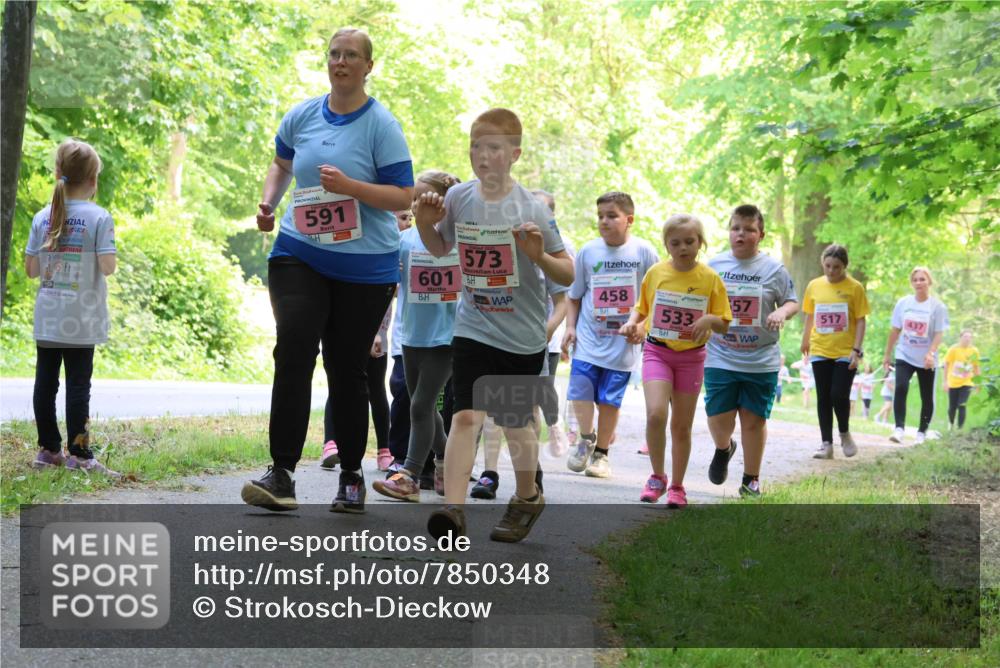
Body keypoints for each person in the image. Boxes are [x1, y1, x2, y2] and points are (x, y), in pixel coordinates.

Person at [242, 28, 414, 513]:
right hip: (299, 251)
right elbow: (281, 163)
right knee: (293, 349)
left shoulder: (381, 125)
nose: (341, 61)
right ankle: (281, 473)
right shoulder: (301, 115)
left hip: (365, 267)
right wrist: (269, 202)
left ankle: (352, 476)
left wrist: (351, 187)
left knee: (346, 367)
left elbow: (403, 196)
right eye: (335, 53)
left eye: (351, 55)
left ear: (368, 66)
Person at [414, 108, 573, 543]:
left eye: (494, 148)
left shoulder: (531, 208)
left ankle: (527, 496)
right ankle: (454, 510)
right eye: (476, 147)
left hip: (520, 336)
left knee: (514, 423)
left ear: (515, 154)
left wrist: (538, 255)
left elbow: (567, 272)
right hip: (473, 326)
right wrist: (426, 224)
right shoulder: (459, 198)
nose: (482, 156)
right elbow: (441, 247)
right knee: (465, 416)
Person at [620, 214, 732, 508]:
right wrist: (632, 323)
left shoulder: (710, 278)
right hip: (658, 351)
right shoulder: (656, 272)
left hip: (691, 358)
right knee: (656, 414)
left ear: (700, 242)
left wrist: (708, 319)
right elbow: (642, 308)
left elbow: (724, 324)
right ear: (666, 245)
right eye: (675, 243)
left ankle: (678, 487)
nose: (683, 247)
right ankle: (657, 477)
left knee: (681, 426)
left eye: (689, 241)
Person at [25, 139, 119, 476]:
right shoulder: (99, 217)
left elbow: (31, 270)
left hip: (49, 318)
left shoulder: (42, 217)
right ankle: (79, 454)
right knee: (78, 386)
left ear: (58, 174)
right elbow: (108, 267)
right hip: (81, 319)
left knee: (45, 384)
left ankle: (48, 450)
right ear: (93, 180)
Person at [373, 171, 461, 502]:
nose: (416, 204)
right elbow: (390, 286)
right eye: (413, 198)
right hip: (411, 336)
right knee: (423, 408)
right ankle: (446, 461)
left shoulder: (457, 239)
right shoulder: (405, 239)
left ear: (445, 203)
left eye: (425, 197)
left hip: (446, 338)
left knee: (421, 405)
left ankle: (409, 475)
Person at [561, 191, 659, 479]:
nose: (604, 221)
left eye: (612, 216)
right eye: (600, 216)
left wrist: (643, 326)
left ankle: (601, 454)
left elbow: (657, 298)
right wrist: (569, 327)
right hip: (589, 339)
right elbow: (574, 296)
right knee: (580, 392)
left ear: (629, 219)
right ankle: (586, 439)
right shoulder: (588, 252)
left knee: (609, 401)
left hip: (623, 344)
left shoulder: (644, 252)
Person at [703, 204, 799, 497]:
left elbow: (792, 301)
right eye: (735, 229)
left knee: (753, 420)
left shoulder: (774, 270)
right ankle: (724, 447)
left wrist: (781, 312)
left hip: (760, 358)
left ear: (761, 235)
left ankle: (751, 480)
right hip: (721, 354)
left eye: (748, 230)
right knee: (718, 417)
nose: (740, 235)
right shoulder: (714, 266)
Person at [320, 210, 408, 473]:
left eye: (409, 218)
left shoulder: (402, 250)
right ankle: (331, 444)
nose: (406, 223)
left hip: (378, 333)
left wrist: (378, 333)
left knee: (376, 389)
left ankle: (384, 450)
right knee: (339, 383)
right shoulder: (369, 246)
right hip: (352, 329)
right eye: (402, 217)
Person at [801, 244, 869, 459]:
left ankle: (844, 433)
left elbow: (861, 320)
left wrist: (856, 349)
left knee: (838, 393)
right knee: (823, 396)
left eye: (836, 267)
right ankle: (826, 444)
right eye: (828, 266)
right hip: (820, 347)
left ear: (844, 266)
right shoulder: (814, 285)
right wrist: (805, 340)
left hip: (845, 350)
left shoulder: (855, 288)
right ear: (823, 263)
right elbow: (810, 315)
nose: (831, 271)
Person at [882, 266, 949, 444]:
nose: (918, 283)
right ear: (911, 283)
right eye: (915, 280)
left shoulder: (937, 307)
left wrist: (931, 353)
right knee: (900, 387)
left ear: (929, 282)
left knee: (926, 396)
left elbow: (939, 333)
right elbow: (895, 330)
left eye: (922, 279)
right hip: (904, 353)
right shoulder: (903, 303)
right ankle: (899, 429)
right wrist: (887, 354)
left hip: (926, 358)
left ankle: (921, 433)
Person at [532, 189, 574, 458]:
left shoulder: (563, 246)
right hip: (522, 329)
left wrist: (565, 328)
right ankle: (531, 448)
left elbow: (569, 293)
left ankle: (554, 424)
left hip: (550, 330)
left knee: (543, 387)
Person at [943, 330, 980, 430]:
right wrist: (945, 381)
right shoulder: (953, 349)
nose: (967, 339)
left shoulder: (974, 351)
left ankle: (960, 429)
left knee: (962, 405)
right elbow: (946, 364)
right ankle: (951, 424)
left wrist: (978, 383)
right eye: (965, 337)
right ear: (960, 338)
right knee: (952, 407)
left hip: (967, 382)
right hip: (953, 382)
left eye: (970, 337)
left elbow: (976, 367)